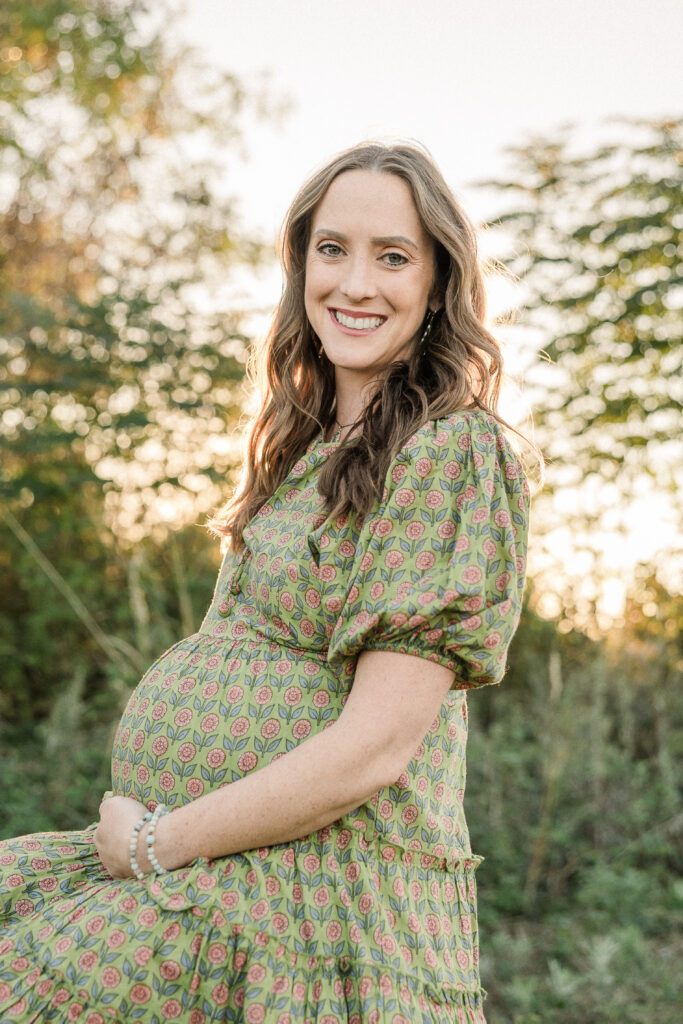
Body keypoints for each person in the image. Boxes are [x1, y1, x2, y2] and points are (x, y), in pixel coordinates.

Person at [0, 140, 532, 1024]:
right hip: (222, 871)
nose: (355, 283)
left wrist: (155, 843)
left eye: (392, 257)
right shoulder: (303, 449)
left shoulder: (450, 451)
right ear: (300, 264)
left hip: (313, 900)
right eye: (333, 249)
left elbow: (373, 749)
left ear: (438, 285)